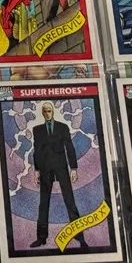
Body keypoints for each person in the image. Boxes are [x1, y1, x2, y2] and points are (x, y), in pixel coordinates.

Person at [31, 102, 87, 249]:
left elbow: (69, 147)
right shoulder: (37, 130)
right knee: (43, 204)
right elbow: (36, 150)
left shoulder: (63, 127)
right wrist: (36, 170)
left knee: (70, 201)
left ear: (53, 111)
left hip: (61, 168)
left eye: (49, 111)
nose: (47, 113)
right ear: (42, 113)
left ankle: (80, 237)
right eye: (45, 111)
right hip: (45, 170)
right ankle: (41, 238)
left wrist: (73, 168)